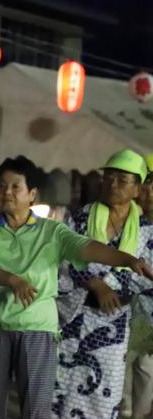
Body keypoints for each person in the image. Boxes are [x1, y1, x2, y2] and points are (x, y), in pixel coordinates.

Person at [0, 154, 153, 419]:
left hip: (49, 328)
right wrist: (13, 280)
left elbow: (86, 248)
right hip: (16, 324)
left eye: (14, 187)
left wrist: (127, 259)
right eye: (1, 186)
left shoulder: (52, 231)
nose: (6, 192)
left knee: (39, 409)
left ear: (32, 194)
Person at [52, 150, 153, 419]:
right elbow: (59, 260)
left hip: (114, 326)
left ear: (137, 189)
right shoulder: (79, 218)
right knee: (59, 390)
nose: (112, 184)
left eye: (122, 180)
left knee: (104, 394)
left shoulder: (146, 231)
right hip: (73, 318)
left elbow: (147, 277)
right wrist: (95, 283)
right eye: (108, 177)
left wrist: (119, 287)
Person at [121, 154, 153, 419]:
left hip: (149, 312)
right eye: (147, 183)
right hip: (122, 306)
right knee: (120, 365)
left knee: (145, 368)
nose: (150, 191)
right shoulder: (125, 219)